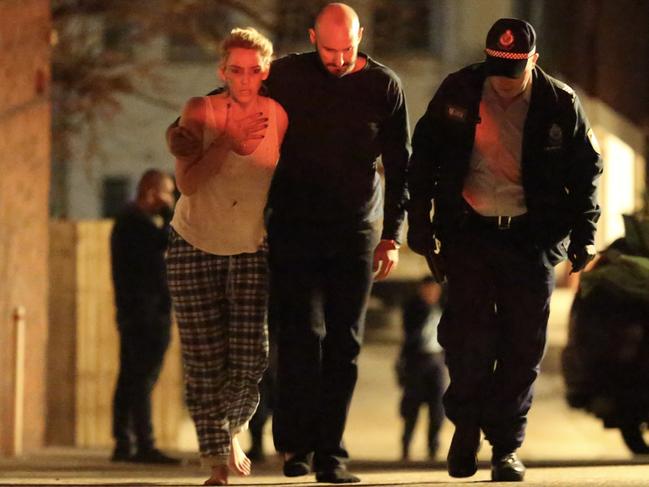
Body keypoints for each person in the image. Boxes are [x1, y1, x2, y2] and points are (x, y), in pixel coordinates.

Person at [168, 3, 410, 483]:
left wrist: (392, 236)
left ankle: (332, 455)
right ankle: (296, 447)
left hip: (356, 230)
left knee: (346, 343)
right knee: (299, 339)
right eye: (328, 48)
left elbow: (401, 164)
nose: (338, 59)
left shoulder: (384, 86)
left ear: (362, 37)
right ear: (311, 37)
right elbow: (235, 94)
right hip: (294, 227)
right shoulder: (288, 75)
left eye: (348, 49)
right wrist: (179, 135)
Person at [407, 18, 602, 482]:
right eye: (497, 67)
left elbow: (586, 173)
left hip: (531, 238)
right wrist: (419, 223)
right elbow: (424, 159)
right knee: (467, 341)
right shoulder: (459, 89)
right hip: (470, 232)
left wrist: (584, 235)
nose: (502, 79)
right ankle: (467, 427)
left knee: (521, 348)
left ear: (533, 60)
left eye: (513, 69)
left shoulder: (560, 103)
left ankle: (506, 448)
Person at [164, 27, 288, 486]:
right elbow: (188, 183)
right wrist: (227, 142)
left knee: (251, 357)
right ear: (222, 71)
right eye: (236, 70)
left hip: (249, 247)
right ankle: (216, 464)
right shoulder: (201, 109)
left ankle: (230, 428)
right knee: (203, 360)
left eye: (254, 70)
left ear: (266, 71)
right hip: (193, 243)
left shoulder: (278, 115)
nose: (245, 79)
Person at [110, 169, 179, 464]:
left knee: (130, 377)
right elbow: (168, 241)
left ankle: (124, 442)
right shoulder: (135, 223)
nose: (170, 199)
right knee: (142, 379)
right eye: (167, 193)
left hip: (135, 312)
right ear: (152, 191)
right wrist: (169, 216)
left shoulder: (127, 221)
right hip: (146, 313)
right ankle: (143, 443)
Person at [395, 277, 445, 461]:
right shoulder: (414, 308)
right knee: (412, 408)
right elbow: (410, 333)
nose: (432, 293)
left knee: (437, 408)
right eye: (428, 289)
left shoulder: (442, 308)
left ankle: (433, 448)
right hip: (417, 360)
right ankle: (406, 446)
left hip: (436, 360)